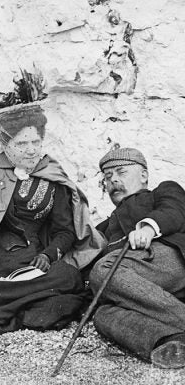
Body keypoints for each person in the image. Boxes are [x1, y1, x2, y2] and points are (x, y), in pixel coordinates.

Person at [0, 71, 105, 338]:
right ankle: (19, 304)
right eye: (22, 143)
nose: (31, 150)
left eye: (36, 142)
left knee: (68, 277)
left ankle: (2, 305)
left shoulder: (52, 177)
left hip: (34, 266)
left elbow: (65, 231)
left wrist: (49, 255)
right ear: (5, 143)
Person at [90, 147, 185, 369]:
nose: (113, 180)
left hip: (172, 260)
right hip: (144, 290)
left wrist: (149, 228)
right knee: (102, 314)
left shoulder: (162, 192)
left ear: (143, 175)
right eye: (107, 176)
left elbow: (175, 210)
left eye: (121, 172)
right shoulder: (103, 227)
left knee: (106, 270)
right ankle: (172, 340)